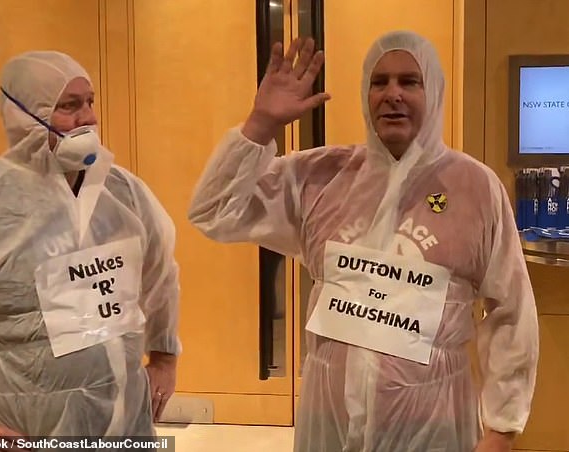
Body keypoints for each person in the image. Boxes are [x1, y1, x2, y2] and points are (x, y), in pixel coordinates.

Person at [188, 31, 539, 452]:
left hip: (433, 423)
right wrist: (260, 126)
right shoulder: (321, 176)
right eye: (380, 82)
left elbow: (512, 311)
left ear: (435, 90)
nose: (392, 94)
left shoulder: (474, 188)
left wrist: (501, 429)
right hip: (328, 421)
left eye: (410, 81)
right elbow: (213, 212)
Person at [0, 51, 180, 442]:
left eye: (90, 102)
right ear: (22, 114)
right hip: (20, 428)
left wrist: (164, 357)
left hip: (126, 424)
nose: (88, 119)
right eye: (68, 106)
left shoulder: (121, 190)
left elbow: (161, 275)